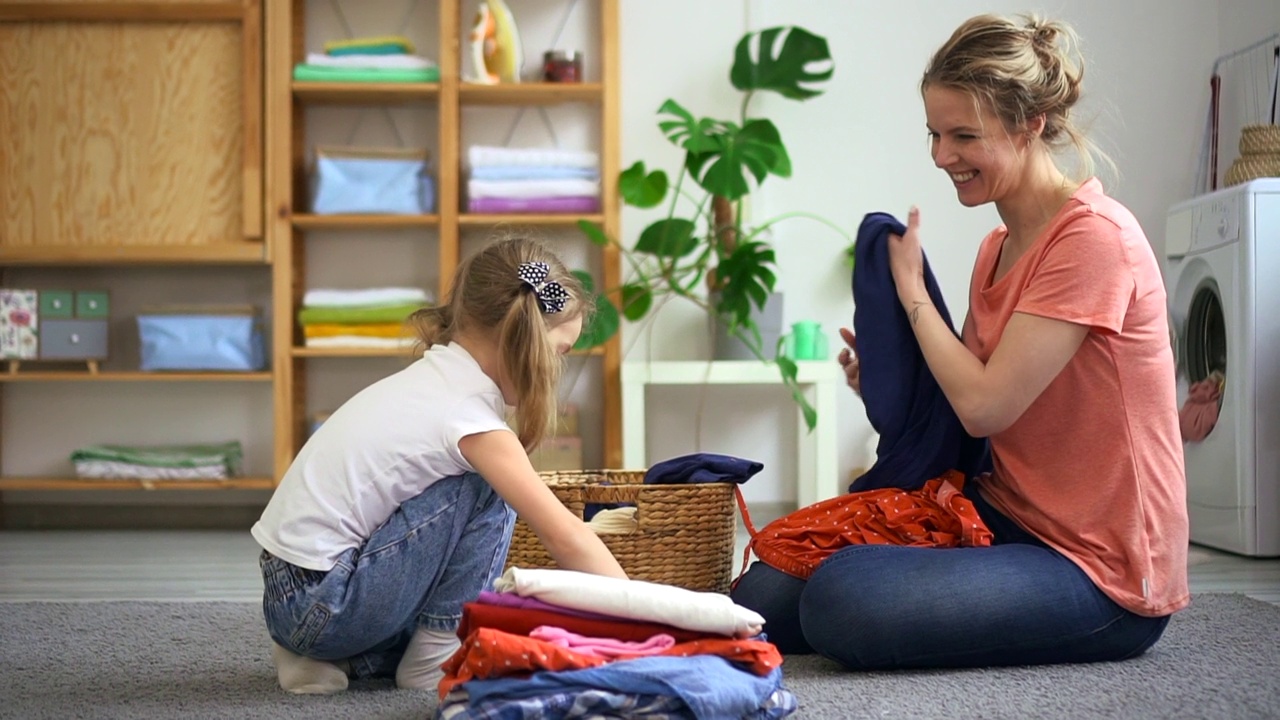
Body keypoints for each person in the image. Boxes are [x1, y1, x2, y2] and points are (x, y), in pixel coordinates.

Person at [731, 13, 1189, 668]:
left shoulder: (1094, 240)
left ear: (1031, 123)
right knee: (766, 589)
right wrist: (887, 382)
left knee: (842, 599)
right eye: (935, 133)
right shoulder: (997, 248)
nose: (942, 155)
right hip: (1001, 517)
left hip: (1101, 572)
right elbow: (964, 410)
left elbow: (985, 406)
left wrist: (912, 290)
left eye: (963, 136)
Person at [251, 237, 627, 694]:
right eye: (561, 352)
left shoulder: (435, 380)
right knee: (486, 487)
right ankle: (431, 662)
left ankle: (323, 657)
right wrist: (645, 612)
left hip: (293, 596)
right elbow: (564, 535)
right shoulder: (470, 418)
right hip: (322, 603)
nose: (558, 367)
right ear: (525, 339)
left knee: (498, 617)